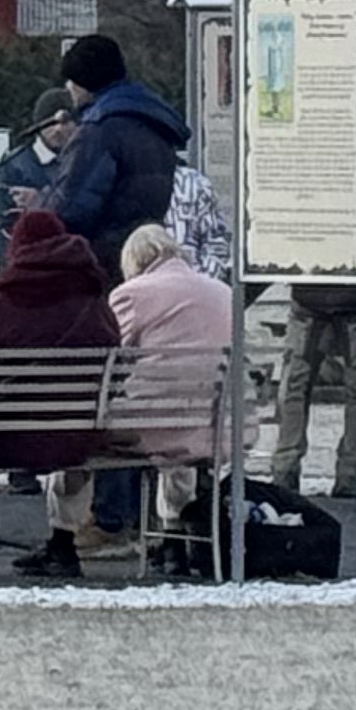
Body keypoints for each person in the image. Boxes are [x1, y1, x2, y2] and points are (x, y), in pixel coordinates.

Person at [0, 205, 124, 580]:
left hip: (4, 438)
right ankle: (64, 546)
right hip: (75, 434)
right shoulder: (92, 296)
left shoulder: (6, 299)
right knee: (76, 429)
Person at [266, 182, 356, 503]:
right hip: (315, 296)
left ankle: (343, 472)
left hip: (353, 297)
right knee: (300, 386)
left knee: (351, 388)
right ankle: (290, 467)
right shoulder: (315, 162)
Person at [109, 227, 236, 575]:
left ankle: (66, 536)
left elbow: (111, 354)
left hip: (154, 425)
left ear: (133, 260)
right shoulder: (222, 291)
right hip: (222, 423)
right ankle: (173, 540)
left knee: (148, 421)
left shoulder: (131, 294)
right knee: (180, 423)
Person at [41, 36, 187, 276]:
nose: (68, 86)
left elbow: (72, 209)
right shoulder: (151, 122)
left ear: (84, 82)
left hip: (101, 264)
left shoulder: (99, 131)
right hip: (145, 254)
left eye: (71, 79)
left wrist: (40, 205)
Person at [0, 92, 73, 248]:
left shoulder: (84, 160)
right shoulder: (15, 165)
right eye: (51, 122)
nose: (58, 129)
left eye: (65, 122)